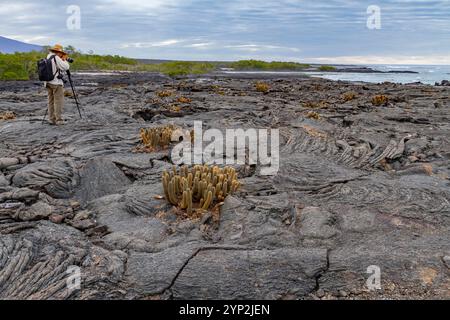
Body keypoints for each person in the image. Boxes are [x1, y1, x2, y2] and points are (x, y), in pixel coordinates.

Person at [45, 44, 70, 125]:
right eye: (60, 53)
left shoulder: (48, 56)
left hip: (48, 82)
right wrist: (64, 59)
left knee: (50, 101)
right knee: (58, 101)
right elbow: (66, 67)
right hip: (56, 83)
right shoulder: (56, 57)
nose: (61, 54)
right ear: (58, 52)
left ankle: (51, 119)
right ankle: (59, 120)